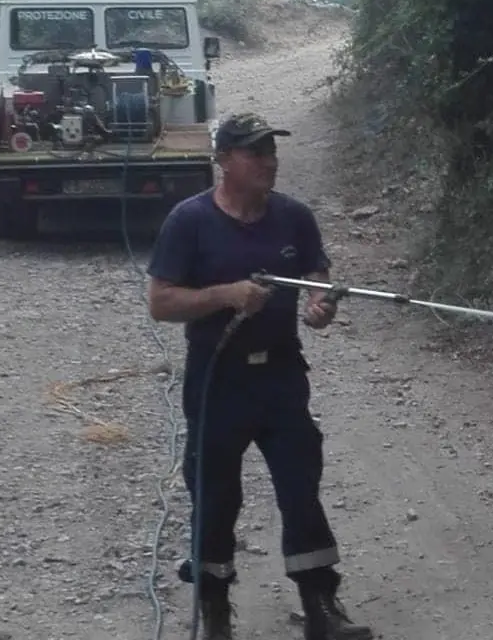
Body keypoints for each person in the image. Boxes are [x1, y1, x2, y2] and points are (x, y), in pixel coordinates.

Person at [145, 112, 373, 640]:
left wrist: (320, 301)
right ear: (224, 161)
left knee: (300, 486)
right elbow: (161, 302)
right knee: (216, 494)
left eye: (273, 151)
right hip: (217, 379)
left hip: (281, 375)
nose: (270, 161)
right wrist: (226, 295)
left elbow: (315, 271)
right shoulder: (190, 221)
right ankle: (215, 610)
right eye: (256, 152)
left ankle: (321, 606)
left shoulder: (294, 217)